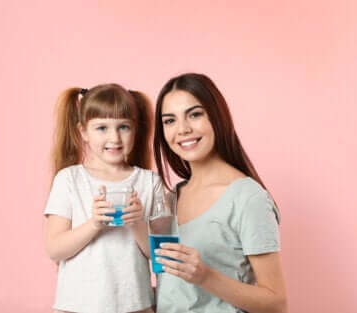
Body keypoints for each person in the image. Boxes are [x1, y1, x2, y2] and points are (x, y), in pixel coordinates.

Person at [153, 73, 288, 313]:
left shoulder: (248, 198)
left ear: (217, 117)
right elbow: (176, 293)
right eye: (169, 121)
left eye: (195, 114)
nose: (182, 129)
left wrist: (205, 276)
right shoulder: (173, 196)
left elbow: (276, 304)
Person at [44, 84, 160, 313]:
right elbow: (54, 249)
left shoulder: (149, 182)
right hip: (76, 307)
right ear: (83, 132)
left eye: (123, 127)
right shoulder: (69, 180)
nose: (114, 137)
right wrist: (94, 224)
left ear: (135, 130)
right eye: (102, 128)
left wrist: (137, 223)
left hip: (135, 306)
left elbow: (159, 256)